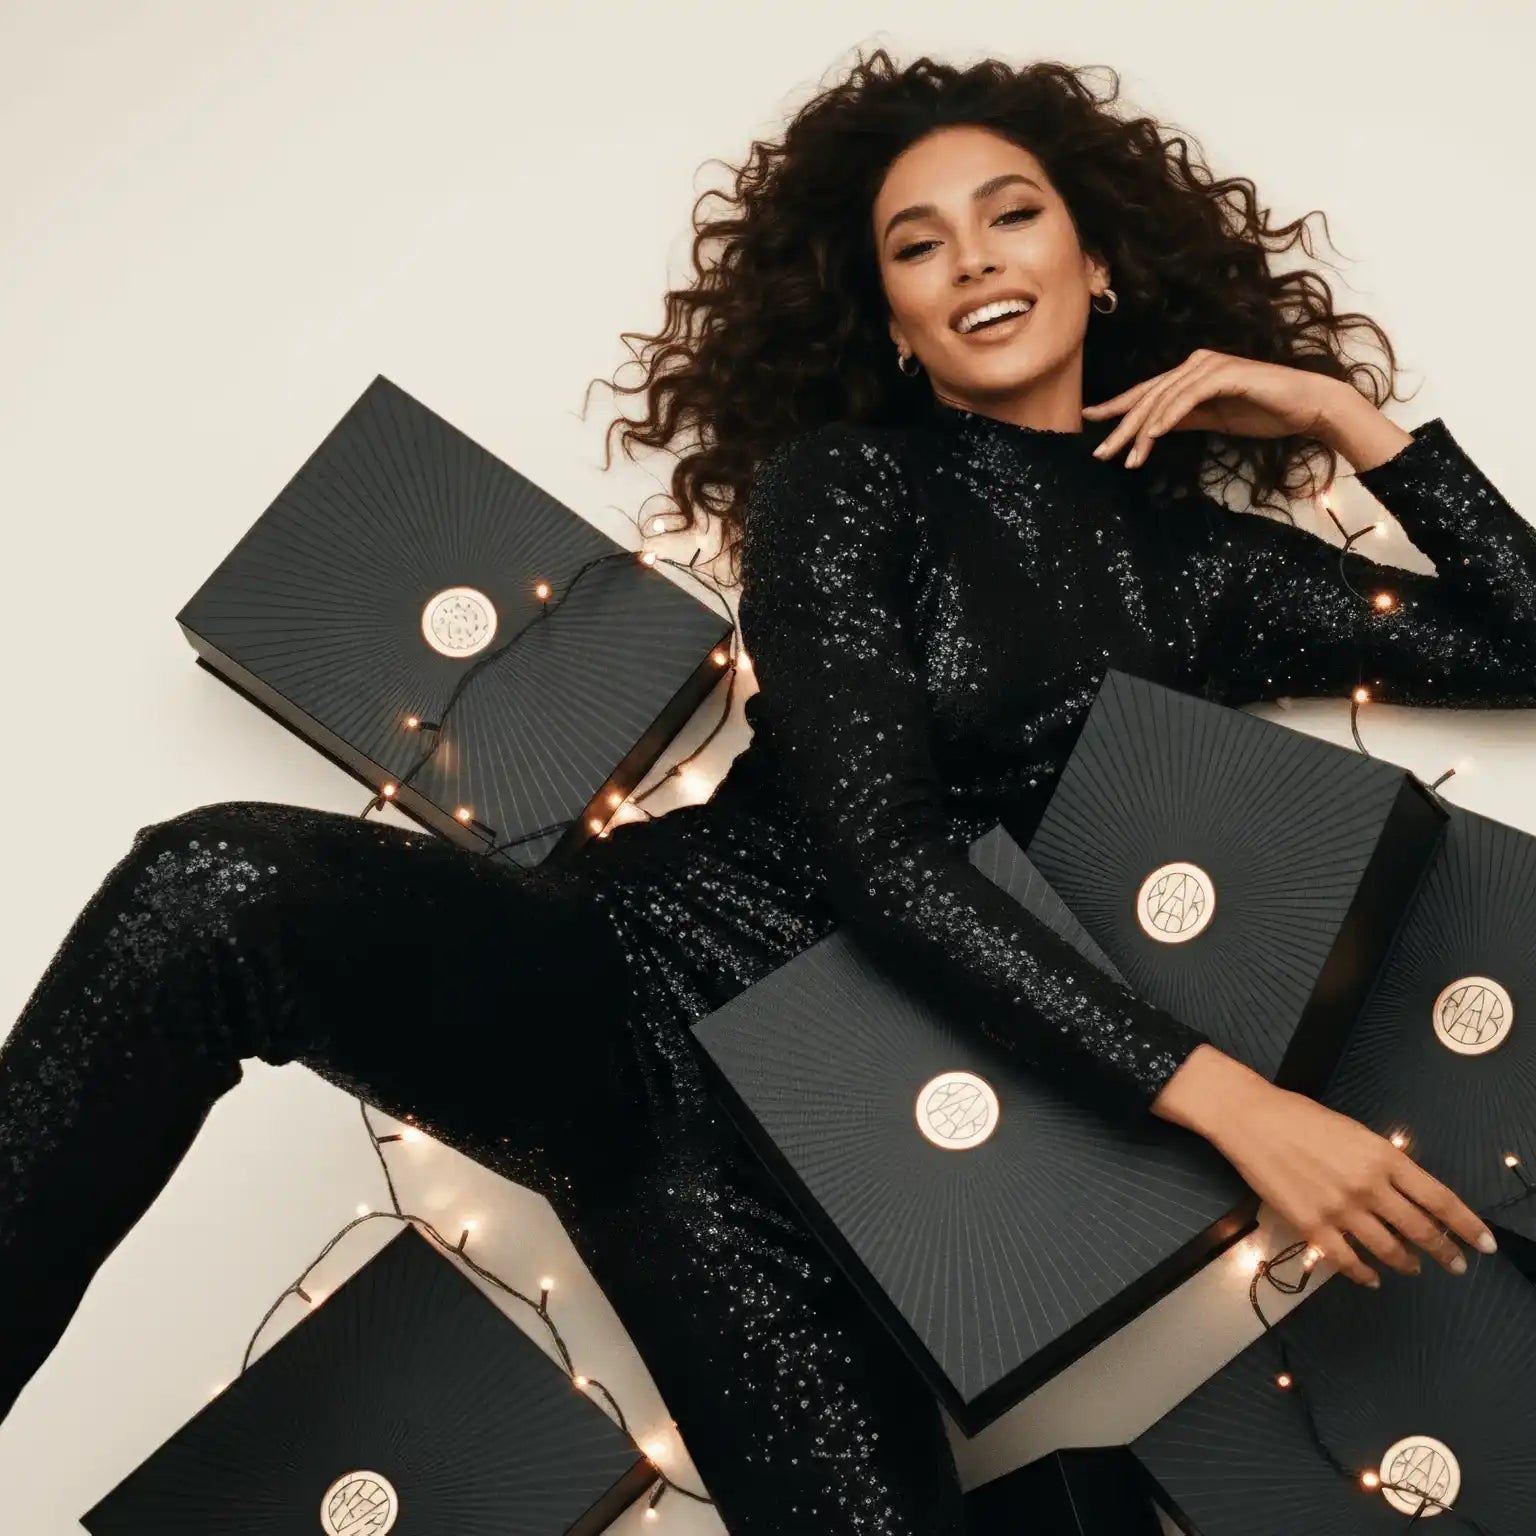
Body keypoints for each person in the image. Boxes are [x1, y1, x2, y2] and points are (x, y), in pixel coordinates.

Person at [1, 47, 1528, 1535]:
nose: (972, 261)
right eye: (917, 247)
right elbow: (885, 856)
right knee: (209, 891)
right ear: (900, 325)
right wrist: (1241, 1109)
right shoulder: (850, 488)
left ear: (1102, 264)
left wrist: (1347, 418)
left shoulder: (1205, 575)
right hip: (627, 1001)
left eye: (1013, 213)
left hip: (837, 1173)